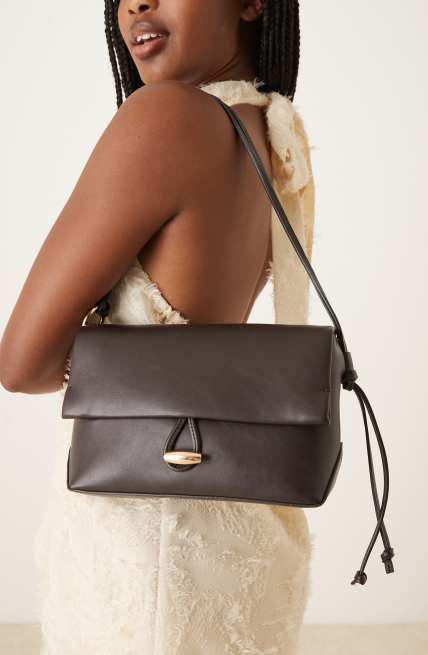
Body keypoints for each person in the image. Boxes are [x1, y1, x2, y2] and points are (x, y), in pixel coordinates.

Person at [0, 1, 319, 653]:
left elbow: (21, 364)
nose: (136, 4)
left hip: (147, 536)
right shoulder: (268, 129)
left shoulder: (167, 116)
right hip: (237, 523)